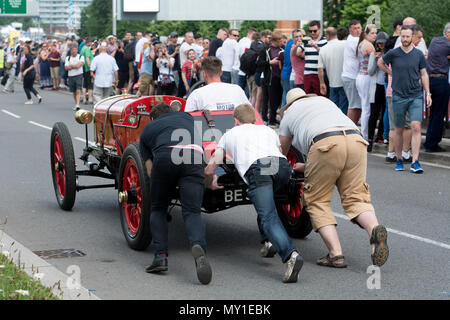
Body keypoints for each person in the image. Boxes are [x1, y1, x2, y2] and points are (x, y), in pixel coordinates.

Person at [279, 88, 389, 268]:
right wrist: (308, 166)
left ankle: (335, 254)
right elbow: (336, 151)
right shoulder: (325, 102)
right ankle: (374, 231)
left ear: (289, 104)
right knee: (356, 197)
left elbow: (282, 153)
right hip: (356, 140)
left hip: (325, 144)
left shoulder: (290, 113)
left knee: (316, 200)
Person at [205, 104, 304, 283]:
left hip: (258, 168)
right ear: (253, 119)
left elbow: (212, 166)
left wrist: (209, 181)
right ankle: (268, 241)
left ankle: (291, 255)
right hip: (281, 167)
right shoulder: (267, 130)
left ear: (236, 120)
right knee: (268, 205)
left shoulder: (229, 134)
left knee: (268, 216)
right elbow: (280, 153)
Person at [139, 103, 212, 285]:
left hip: (165, 156)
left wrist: (161, 185)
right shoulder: (188, 118)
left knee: (158, 208)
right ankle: (197, 246)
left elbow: (149, 169)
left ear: (154, 118)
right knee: (192, 211)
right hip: (193, 156)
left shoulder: (149, 128)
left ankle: (160, 257)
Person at [378, 26, 432, 173]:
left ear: (412, 37)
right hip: (398, 96)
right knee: (399, 129)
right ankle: (399, 158)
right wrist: (390, 72)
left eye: (408, 37)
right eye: (403, 37)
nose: (405, 39)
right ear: (400, 37)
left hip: (415, 95)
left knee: (416, 126)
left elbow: (424, 74)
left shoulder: (419, 54)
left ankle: (415, 161)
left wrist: (428, 93)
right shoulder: (393, 53)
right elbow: (380, 63)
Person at [185, 56, 250, 112]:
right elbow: (250, 112)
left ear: (204, 74)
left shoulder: (196, 94)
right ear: (221, 72)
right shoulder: (237, 89)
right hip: (236, 125)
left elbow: (190, 120)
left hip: (208, 126)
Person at [423, 23, 450, 153]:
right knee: (439, 113)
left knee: (433, 113)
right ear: (448, 33)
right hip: (441, 80)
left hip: (430, 80)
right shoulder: (447, 44)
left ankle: (429, 141)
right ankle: (433, 144)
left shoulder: (434, 40)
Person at [367, 32, 389, 151]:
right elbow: (370, 72)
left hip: (386, 86)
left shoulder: (390, 54)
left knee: (385, 112)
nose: (381, 45)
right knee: (374, 113)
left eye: (383, 43)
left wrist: (384, 58)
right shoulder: (373, 54)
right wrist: (376, 60)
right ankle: (370, 139)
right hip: (376, 86)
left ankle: (380, 135)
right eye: (379, 43)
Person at [318, 27, 348, 114]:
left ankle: (335, 125)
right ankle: (343, 125)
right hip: (344, 81)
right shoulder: (345, 44)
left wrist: (322, 83)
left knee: (333, 107)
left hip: (332, 83)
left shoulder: (323, 49)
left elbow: (320, 69)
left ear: (327, 36)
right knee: (344, 107)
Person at [356, 24, 378, 141]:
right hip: (366, 77)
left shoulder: (360, 44)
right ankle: (364, 135)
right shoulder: (369, 46)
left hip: (360, 76)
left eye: (375, 33)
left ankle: (364, 133)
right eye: (372, 33)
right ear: (366, 34)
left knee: (364, 106)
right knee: (366, 108)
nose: (375, 35)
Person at [342, 20, 363, 125]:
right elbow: (363, 54)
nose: (358, 30)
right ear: (350, 30)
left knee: (357, 105)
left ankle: (352, 127)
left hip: (350, 76)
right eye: (355, 28)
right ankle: (349, 128)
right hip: (352, 76)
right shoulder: (354, 40)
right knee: (354, 105)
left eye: (359, 27)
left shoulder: (354, 39)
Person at [304, 21, 328, 95]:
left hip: (319, 74)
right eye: (310, 31)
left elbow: (325, 54)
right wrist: (297, 45)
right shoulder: (307, 41)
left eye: (314, 31)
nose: (312, 33)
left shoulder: (325, 41)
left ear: (320, 29)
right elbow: (297, 54)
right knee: (307, 97)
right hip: (307, 73)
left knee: (319, 97)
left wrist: (315, 46)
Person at [266, 31, 284, 127]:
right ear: (274, 41)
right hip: (271, 77)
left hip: (280, 77)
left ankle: (274, 118)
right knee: (272, 99)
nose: (282, 42)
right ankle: (271, 119)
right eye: (280, 40)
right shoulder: (267, 50)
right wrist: (270, 62)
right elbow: (260, 63)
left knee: (279, 98)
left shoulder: (282, 49)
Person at [255, 30, 273, 123]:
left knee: (261, 96)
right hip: (261, 74)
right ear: (263, 37)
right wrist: (269, 62)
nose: (270, 40)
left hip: (261, 74)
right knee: (260, 96)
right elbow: (259, 62)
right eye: (269, 38)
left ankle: (259, 115)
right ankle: (258, 115)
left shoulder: (264, 47)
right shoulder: (263, 48)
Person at [65, 45, 85, 111]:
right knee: (73, 91)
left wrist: (71, 66)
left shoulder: (80, 57)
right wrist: (75, 66)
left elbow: (79, 65)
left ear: (77, 50)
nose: (74, 51)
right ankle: (76, 103)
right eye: (72, 50)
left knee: (78, 90)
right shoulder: (68, 58)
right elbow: (66, 67)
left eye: (75, 49)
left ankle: (78, 104)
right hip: (71, 76)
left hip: (79, 75)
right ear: (70, 51)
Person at [237, 28, 256, 94]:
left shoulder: (241, 41)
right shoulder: (250, 43)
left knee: (239, 90)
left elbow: (238, 55)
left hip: (241, 69)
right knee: (249, 92)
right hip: (248, 71)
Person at [281, 30, 296, 106]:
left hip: (285, 73)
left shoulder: (288, 44)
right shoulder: (293, 45)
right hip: (289, 73)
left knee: (285, 95)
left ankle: (282, 115)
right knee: (288, 97)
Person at [80, 39, 94, 104]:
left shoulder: (83, 48)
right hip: (88, 69)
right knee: (90, 84)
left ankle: (84, 98)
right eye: (91, 42)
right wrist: (90, 67)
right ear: (89, 42)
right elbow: (87, 58)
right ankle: (90, 99)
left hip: (83, 68)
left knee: (85, 84)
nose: (92, 43)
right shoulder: (87, 49)